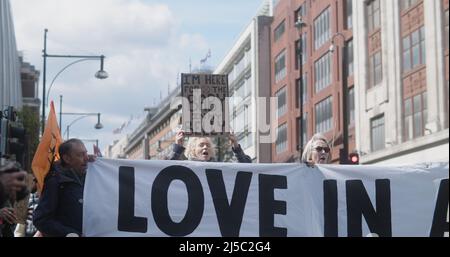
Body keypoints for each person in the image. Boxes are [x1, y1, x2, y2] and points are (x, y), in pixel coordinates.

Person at [33, 139, 89, 237]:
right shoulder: (55, 182)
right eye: (80, 155)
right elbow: (41, 219)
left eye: (86, 154)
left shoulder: (89, 178)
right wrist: (68, 233)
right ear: (67, 159)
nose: (86, 158)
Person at [168, 129, 252, 163]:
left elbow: (246, 167)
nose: (205, 147)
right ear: (193, 150)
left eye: (208, 145)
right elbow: (164, 168)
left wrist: (235, 145)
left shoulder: (220, 167)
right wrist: (177, 148)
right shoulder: (185, 166)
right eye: (201, 145)